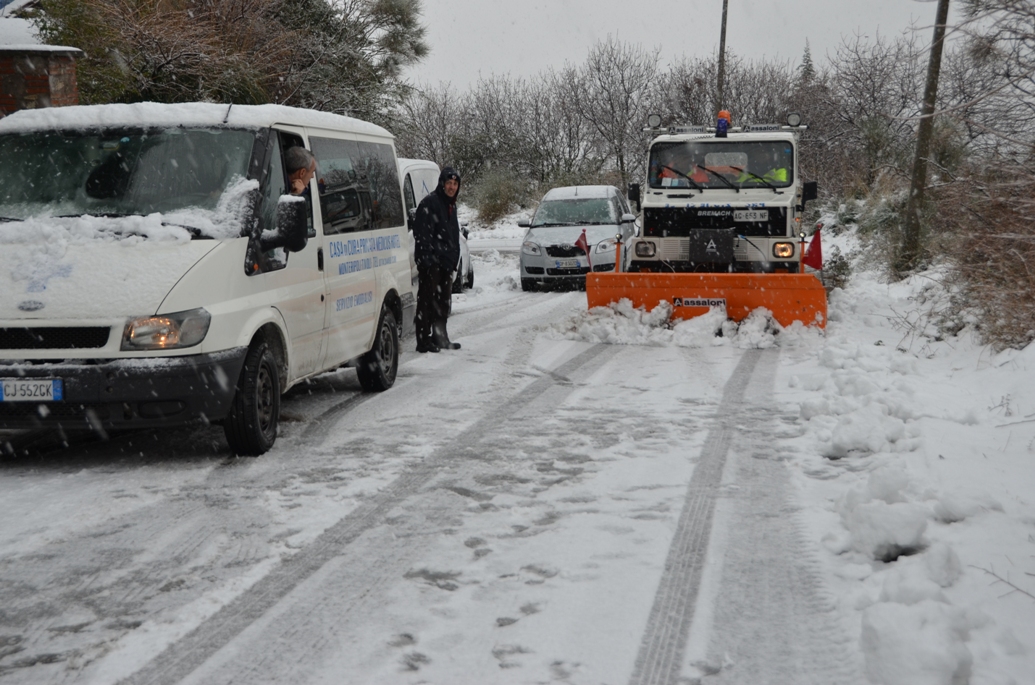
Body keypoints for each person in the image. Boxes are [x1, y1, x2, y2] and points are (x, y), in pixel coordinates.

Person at [412, 167, 462, 353]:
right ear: (442, 183)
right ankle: (423, 340)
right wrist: (428, 260)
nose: (452, 187)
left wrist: (454, 257)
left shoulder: (451, 205)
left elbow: (453, 234)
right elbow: (421, 234)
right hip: (432, 263)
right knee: (426, 301)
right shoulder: (430, 203)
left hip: (446, 262)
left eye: (455, 184)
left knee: (443, 302)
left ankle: (440, 337)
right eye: (449, 183)